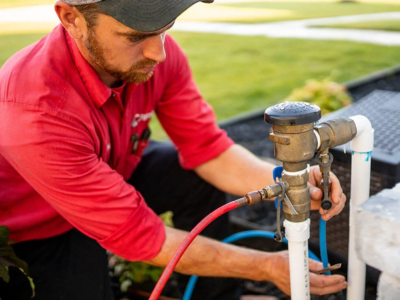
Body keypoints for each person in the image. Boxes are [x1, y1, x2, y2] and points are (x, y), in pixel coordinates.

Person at [0, 1, 348, 299]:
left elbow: (207, 148)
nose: (159, 52)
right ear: (72, 19)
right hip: (37, 227)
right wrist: (267, 266)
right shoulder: (34, 109)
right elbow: (138, 235)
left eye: (164, 28)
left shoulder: (154, 59)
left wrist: (287, 182)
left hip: (110, 166)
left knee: (191, 176)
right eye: (134, 36)